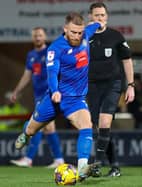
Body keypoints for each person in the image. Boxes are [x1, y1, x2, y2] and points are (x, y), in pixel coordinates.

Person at [14, 12, 102, 181]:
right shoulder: (55, 48)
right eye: (73, 32)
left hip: (75, 100)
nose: (77, 36)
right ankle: (25, 134)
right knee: (32, 129)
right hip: (55, 98)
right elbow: (52, 72)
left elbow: (93, 26)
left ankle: (83, 167)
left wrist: (99, 23)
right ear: (65, 29)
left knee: (86, 125)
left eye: (79, 32)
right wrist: (54, 90)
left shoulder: (85, 35)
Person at [87, 2, 135, 177]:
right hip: (91, 86)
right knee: (100, 128)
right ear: (90, 17)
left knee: (105, 123)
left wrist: (130, 85)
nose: (100, 18)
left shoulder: (115, 36)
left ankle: (97, 164)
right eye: (96, 15)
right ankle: (115, 167)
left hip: (112, 85)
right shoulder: (83, 36)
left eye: (102, 15)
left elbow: (127, 61)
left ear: (107, 17)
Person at [9, 27, 65, 168]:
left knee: (38, 125)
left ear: (45, 37)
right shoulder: (31, 55)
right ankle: (59, 159)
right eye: (35, 36)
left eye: (40, 35)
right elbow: (27, 75)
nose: (38, 38)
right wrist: (16, 91)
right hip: (38, 94)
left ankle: (28, 158)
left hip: (49, 94)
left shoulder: (50, 51)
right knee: (49, 128)